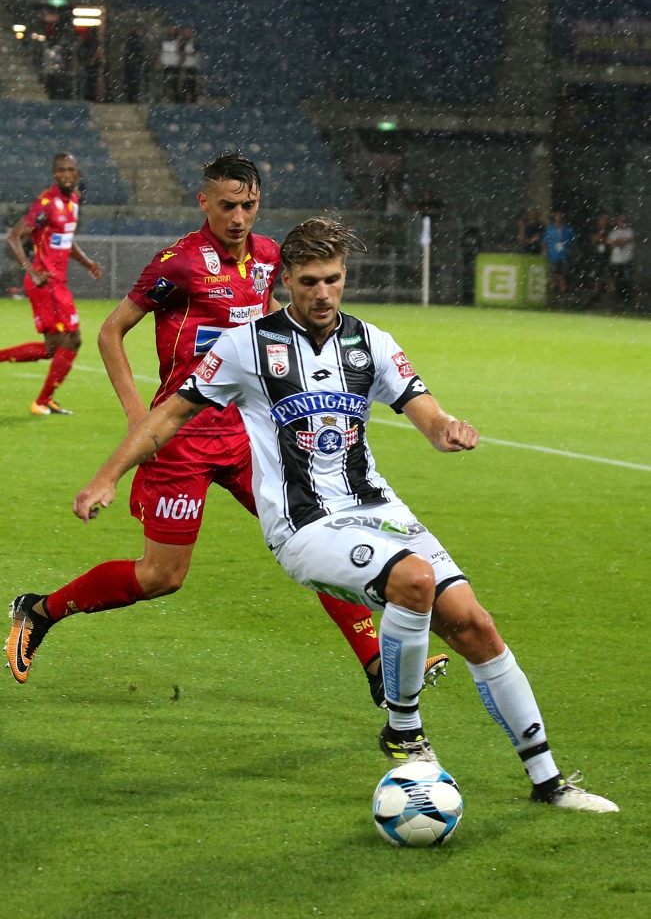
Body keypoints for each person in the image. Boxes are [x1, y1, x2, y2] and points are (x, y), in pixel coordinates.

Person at [62, 217, 616, 812]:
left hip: (378, 509)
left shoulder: (372, 342)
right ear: (284, 284)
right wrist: (107, 476)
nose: (322, 293)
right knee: (415, 582)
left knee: (474, 625)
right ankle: (404, 731)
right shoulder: (246, 347)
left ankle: (549, 781)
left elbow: (424, 413)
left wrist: (447, 428)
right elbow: (169, 415)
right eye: (309, 282)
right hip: (304, 526)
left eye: (332, 280)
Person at [4, 155, 392, 708]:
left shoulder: (266, 257)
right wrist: (139, 418)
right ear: (204, 201)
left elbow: (266, 315)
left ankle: (379, 665)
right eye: (228, 205)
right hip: (180, 436)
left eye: (249, 205)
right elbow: (112, 332)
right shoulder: (180, 263)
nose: (239, 217)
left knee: (316, 538)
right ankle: (39, 610)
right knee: (162, 576)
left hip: (245, 434)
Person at [1, 153, 102, 414]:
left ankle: (44, 400)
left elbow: (65, 239)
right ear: (55, 174)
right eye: (62, 170)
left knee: (52, 348)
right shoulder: (47, 203)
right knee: (73, 339)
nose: (67, 174)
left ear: (77, 173)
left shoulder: (73, 201)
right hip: (46, 282)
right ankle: (43, 400)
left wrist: (87, 262)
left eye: (71, 170)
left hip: (56, 282)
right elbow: (13, 237)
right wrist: (32, 272)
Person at [542, 211, 576, 295]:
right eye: (557, 217)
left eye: (560, 217)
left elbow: (574, 240)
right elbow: (544, 242)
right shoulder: (550, 229)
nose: (559, 219)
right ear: (554, 218)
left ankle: (562, 292)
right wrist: (545, 253)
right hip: (553, 255)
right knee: (553, 276)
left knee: (562, 276)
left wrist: (571, 250)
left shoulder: (567, 229)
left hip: (564, 255)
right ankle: (552, 292)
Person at [607, 213, 635, 305]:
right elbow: (610, 242)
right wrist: (620, 241)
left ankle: (627, 298)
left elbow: (626, 241)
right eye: (621, 220)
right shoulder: (614, 232)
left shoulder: (629, 231)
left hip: (627, 259)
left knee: (627, 279)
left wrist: (617, 242)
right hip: (616, 260)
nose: (623, 222)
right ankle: (618, 297)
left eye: (624, 220)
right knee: (617, 279)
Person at [588, 211, 611, 302]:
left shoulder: (610, 230)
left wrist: (600, 239)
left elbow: (609, 241)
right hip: (598, 255)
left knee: (609, 274)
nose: (603, 221)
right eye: (602, 219)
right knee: (597, 274)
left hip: (608, 254)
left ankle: (610, 294)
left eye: (605, 220)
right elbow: (594, 239)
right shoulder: (596, 229)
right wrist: (600, 238)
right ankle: (596, 292)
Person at [160, 26, 181, 103]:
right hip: (166, 63)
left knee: (175, 82)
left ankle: (176, 98)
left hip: (174, 63)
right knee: (165, 82)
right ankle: (165, 97)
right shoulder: (164, 40)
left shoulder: (178, 40)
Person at [124, 28, 145, 103]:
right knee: (133, 81)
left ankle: (132, 96)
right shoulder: (134, 40)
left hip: (133, 63)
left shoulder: (132, 40)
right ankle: (132, 96)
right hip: (133, 63)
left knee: (133, 81)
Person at [180, 26, 199, 104]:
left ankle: (193, 98)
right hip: (186, 64)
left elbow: (195, 50)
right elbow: (181, 51)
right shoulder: (184, 41)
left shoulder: (195, 41)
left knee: (192, 82)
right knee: (185, 82)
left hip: (193, 64)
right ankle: (184, 98)